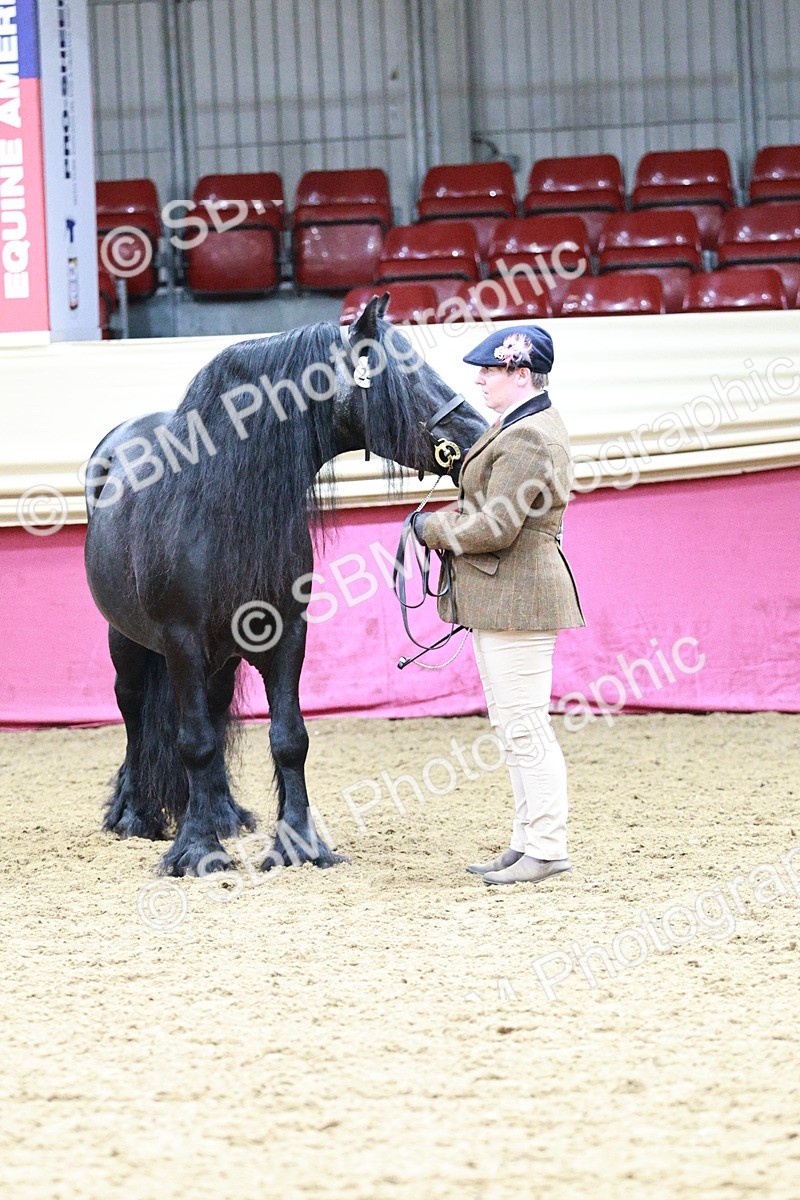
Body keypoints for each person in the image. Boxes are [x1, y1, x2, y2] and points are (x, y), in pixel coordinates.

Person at [413, 325, 585, 886]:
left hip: (519, 595)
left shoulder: (530, 436)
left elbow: (495, 527)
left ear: (521, 373)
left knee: (526, 728)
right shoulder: (520, 425)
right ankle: (527, 839)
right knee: (514, 728)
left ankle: (548, 845)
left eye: (491, 370)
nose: (481, 379)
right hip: (505, 595)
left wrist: (431, 527)